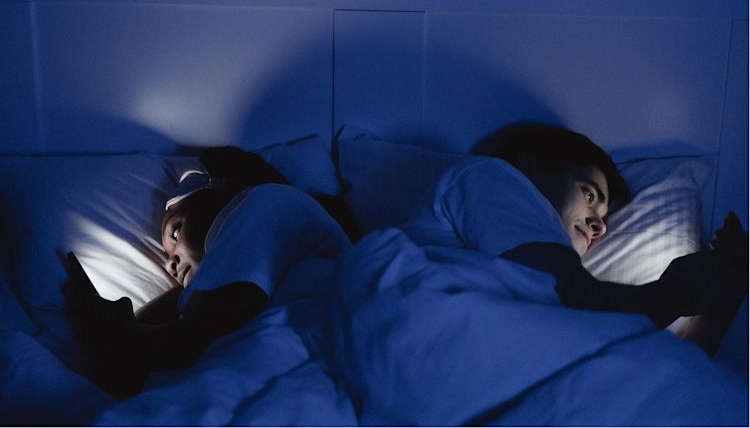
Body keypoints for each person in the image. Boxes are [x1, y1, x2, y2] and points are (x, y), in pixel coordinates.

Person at [404, 123, 747, 349]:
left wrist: (728, 289)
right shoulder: (488, 178)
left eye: (603, 217)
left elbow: (662, 372)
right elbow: (570, 298)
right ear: (528, 166)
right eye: (588, 194)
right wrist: (677, 292)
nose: (600, 227)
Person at [65, 146, 357, 398]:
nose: (171, 264)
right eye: (168, 259)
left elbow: (197, 338)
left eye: (175, 231)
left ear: (222, 192)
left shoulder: (264, 201)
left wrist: (110, 331)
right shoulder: (245, 265)